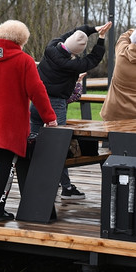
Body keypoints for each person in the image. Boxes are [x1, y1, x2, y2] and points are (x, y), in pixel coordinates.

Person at [0, 20, 57, 221]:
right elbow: (37, 91)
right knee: (5, 164)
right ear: (22, 39)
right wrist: (49, 118)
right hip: (10, 123)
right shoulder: (24, 61)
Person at [30, 22, 112, 200]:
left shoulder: (51, 46)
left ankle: (29, 180)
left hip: (36, 101)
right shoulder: (70, 65)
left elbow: (72, 33)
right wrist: (101, 38)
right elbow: (93, 60)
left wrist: (92, 29)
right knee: (57, 147)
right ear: (76, 52)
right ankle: (66, 187)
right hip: (55, 105)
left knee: (31, 143)